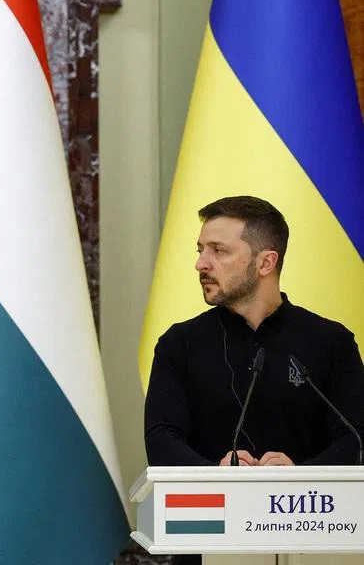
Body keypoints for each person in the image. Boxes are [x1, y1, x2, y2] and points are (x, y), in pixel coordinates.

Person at [145, 196, 364, 565]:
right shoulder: (178, 345)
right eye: (200, 250)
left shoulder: (331, 342)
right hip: (207, 543)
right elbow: (161, 439)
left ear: (266, 262)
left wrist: (300, 478)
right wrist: (217, 473)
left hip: (314, 538)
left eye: (218, 250)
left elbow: (356, 436)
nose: (201, 263)